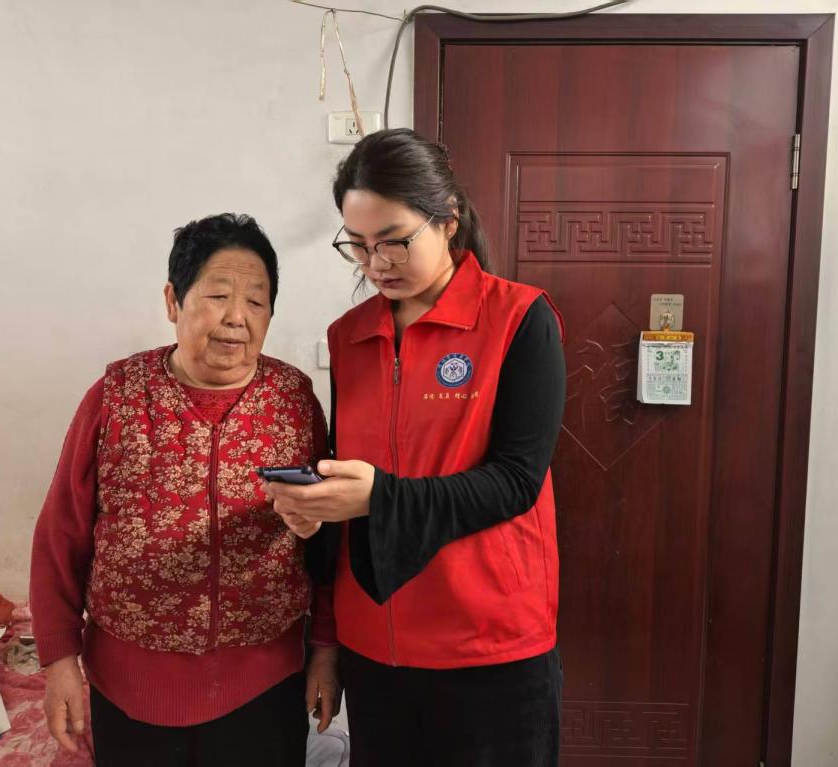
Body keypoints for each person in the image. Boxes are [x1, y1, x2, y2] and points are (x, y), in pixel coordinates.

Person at [265, 129, 567, 767]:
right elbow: (349, 489)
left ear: (448, 220)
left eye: (395, 240)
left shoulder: (519, 319)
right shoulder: (349, 337)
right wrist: (313, 508)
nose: (377, 263)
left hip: (489, 645)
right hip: (376, 645)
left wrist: (379, 496)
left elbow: (516, 481)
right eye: (358, 245)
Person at [30, 213, 339, 767]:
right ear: (173, 301)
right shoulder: (117, 396)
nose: (236, 318)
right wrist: (58, 660)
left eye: (257, 301)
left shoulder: (293, 400)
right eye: (218, 296)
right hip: (129, 689)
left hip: (265, 685)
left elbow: (330, 544)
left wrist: (326, 649)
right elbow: (60, 535)